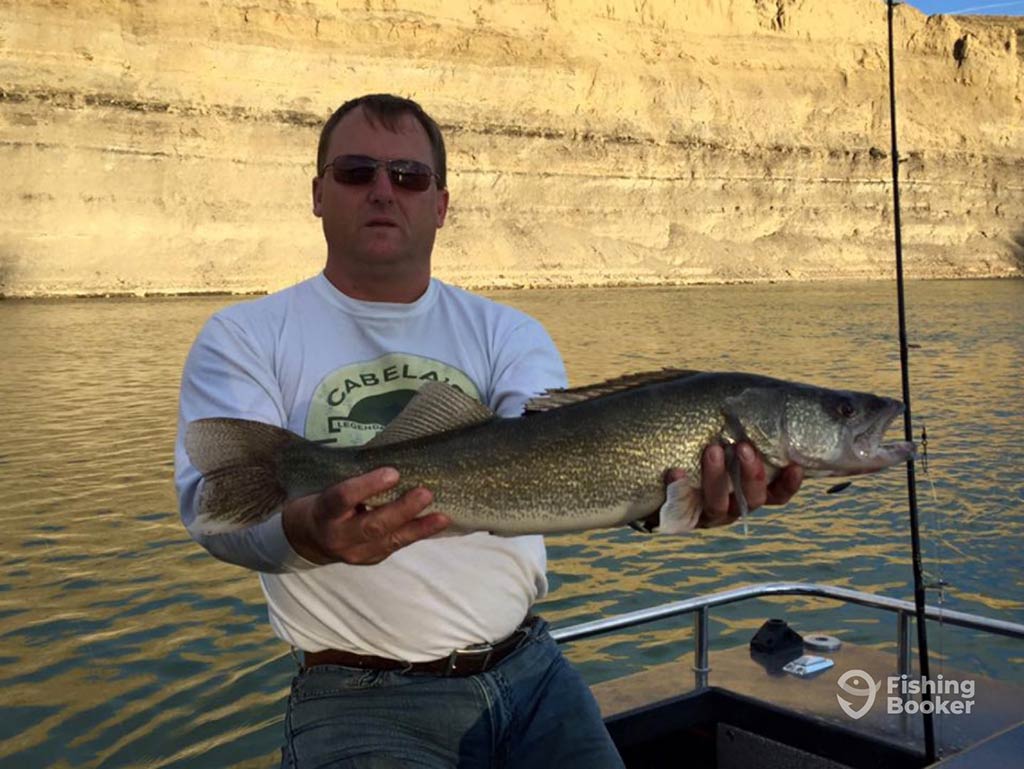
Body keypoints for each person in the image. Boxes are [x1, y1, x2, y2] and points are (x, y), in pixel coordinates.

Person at [175, 93, 804, 768]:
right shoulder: (244, 336)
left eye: (409, 177)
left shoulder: (508, 331)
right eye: (358, 172)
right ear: (318, 193)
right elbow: (213, 514)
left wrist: (670, 506)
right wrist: (309, 532)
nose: (384, 191)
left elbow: (563, 452)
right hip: (358, 696)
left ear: (441, 204)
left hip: (533, 674)